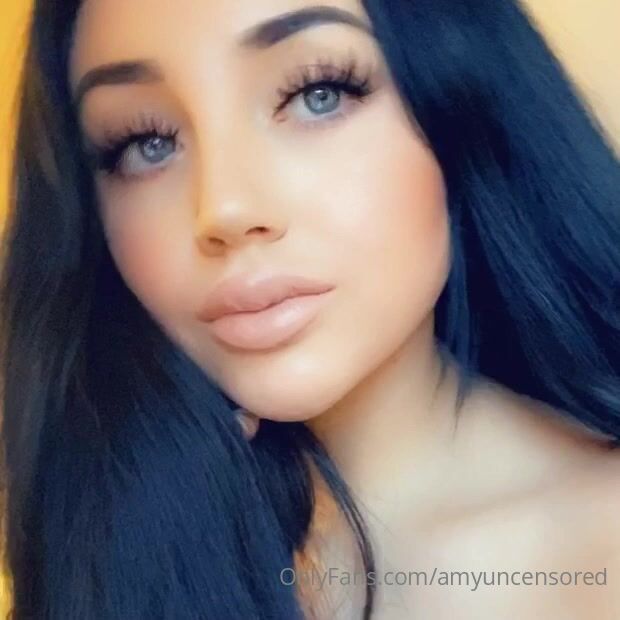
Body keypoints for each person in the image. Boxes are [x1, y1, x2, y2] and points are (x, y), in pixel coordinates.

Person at [1, 0, 619, 618]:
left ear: (461, 107)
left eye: (317, 94)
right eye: (146, 142)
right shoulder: (107, 544)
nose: (225, 209)